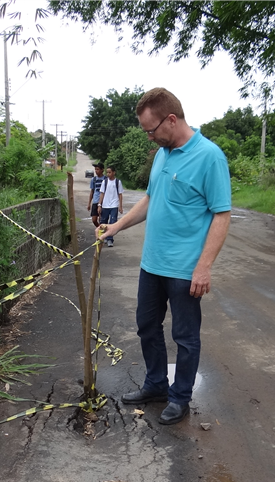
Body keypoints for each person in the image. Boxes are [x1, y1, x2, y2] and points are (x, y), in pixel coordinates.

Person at [97, 87, 232, 425]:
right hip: (152, 265)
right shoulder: (162, 154)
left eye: (151, 130)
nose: (149, 138)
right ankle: (156, 384)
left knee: (185, 337)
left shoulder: (209, 156)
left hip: (185, 270)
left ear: (171, 120)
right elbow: (150, 200)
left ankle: (180, 396)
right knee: (147, 326)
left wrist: (204, 267)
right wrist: (117, 227)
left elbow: (221, 214)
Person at [97, 166, 123, 247]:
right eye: (107, 172)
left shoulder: (118, 182)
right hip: (105, 205)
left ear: (114, 172)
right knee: (103, 222)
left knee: (112, 222)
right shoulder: (105, 182)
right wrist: (99, 205)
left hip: (114, 205)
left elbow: (120, 194)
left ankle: (110, 239)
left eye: (110, 172)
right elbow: (102, 194)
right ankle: (103, 237)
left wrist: (120, 206)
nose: (108, 174)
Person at [87, 163, 106, 228]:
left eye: (97, 169)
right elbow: (92, 191)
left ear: (102, 170)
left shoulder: (106, 179)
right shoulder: (93, 179)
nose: (96, 171)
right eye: (95, 169)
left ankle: (102, 234)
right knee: (94, 220)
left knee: (101, 219)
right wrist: (89, 203)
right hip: (95, 201)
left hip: (103, 202)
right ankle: (100, 229)